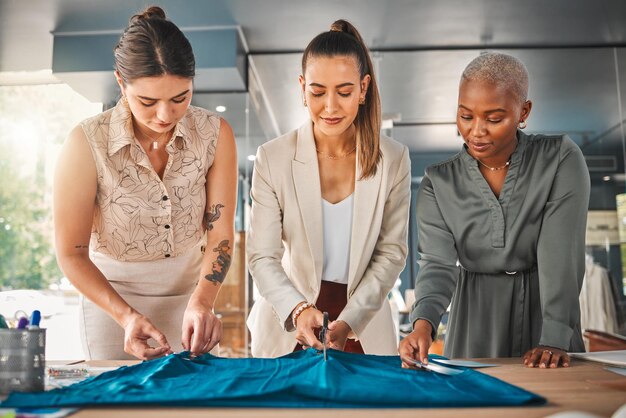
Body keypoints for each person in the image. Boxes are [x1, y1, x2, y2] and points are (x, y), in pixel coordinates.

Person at [53, 6, 237, 360]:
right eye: (148, 101)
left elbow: (220, 233)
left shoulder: (215, 134)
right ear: (121, 83)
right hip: (111, 303)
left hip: (192, 298)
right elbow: (71, 253)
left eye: (180, 97)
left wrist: (203, 301)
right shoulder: (86, 143)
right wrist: (126, 317)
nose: (165, 115)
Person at [399, 52, 590, 369]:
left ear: (523, 111)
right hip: (474, 322)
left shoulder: (560, 159)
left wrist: (555, 336)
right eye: (465, 116)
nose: (476, 131)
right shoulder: (438, 181)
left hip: (546, 317)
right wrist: (423, 325)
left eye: (494, 118)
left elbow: (561, 254)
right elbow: (437, 264)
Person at [246, 19, 411, 358]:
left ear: (363, 89)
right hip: (288, 327)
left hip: (363, 327)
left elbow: (391, 253)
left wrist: (350, 320)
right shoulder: (273, 158)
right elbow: (263, 256)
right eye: (318, 92)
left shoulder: (394, 159)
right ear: (302, 88)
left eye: (345, 92)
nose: (331, 107)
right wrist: (297, 309)